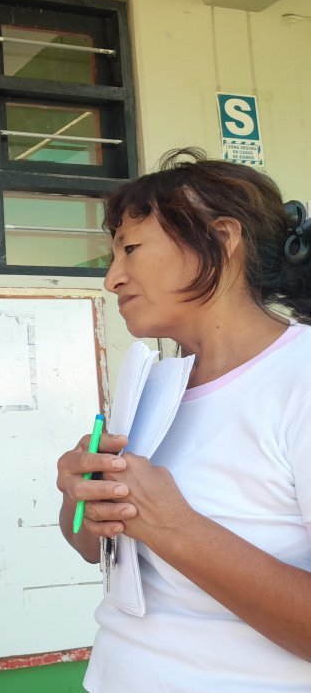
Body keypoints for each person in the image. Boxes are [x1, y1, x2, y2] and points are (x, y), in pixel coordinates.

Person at [56, 149, 311, 691]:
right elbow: (99, 550)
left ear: (222, 237)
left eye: (130, 249)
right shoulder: (153, 386)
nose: (112, 279)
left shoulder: (301, 377)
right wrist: (79, 501)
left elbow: (159, 523)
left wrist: (171, 524)